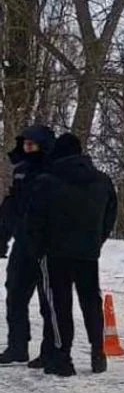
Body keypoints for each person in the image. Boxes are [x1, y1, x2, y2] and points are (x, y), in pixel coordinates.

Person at [27, 133, 117, 376]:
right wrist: (97, 239)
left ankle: (62, 356)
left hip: (54, 252)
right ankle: (98, 351)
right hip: (88, 251)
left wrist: (38, 248)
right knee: (91, 300)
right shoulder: (102, 180)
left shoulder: (47, 180)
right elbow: (111, 213)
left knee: (59, 304)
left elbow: (35, 218)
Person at [0, 125, 56, 366]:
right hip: (23, 243)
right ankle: (17, 346)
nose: (27, 148)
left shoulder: (56, 170)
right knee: (15, 294)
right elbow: (11, 205)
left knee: (49, 301)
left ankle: (50, 350)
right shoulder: (21, 170)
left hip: (48, 246)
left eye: (31, 144)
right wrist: (3, 237)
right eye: (25, 144)